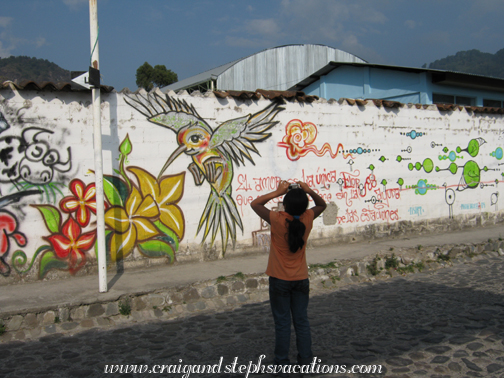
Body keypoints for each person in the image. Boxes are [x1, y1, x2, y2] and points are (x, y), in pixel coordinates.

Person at [250, 180, 327, 369]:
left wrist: (277, 192)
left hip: (279, 280)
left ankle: (282, 364)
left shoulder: (277, 219)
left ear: (285, 205)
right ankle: (306, 362)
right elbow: (322, 205)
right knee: (301, 321)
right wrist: (309, 190)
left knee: (282, 324)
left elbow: (255, 204)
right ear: (304, 206)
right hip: (301, 279)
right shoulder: (308, 217)